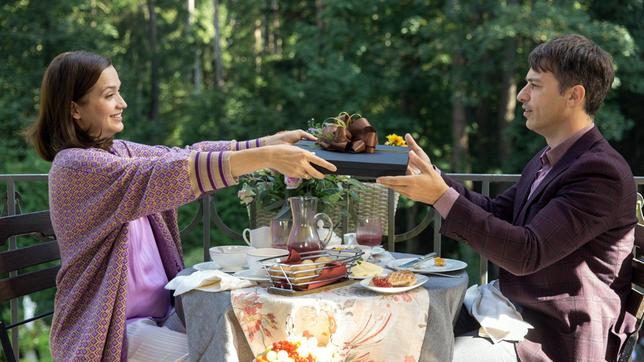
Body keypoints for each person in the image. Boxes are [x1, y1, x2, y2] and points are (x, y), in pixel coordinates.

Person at [24, 50, 336, 361]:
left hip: (160, 317)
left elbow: (181, 155)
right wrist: (266, 159)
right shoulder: (75, 167)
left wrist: (263, 144)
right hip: (112, 333)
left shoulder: (119, 151)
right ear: (75, 109)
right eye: (110, 95)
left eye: (119, 91)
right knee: (234, 354)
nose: (123, 103)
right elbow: (167, 174)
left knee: (254, 334)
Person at [377, 34, 637, 361]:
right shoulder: (551, 158)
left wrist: (441, 195)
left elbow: (526, 253)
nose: (524, 95)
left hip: (556, 336)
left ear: (574, 95)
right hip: (514, 313)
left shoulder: (600, 173)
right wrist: (433, 179)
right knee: (403, 326)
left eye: (535, 85)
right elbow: (496, 211)